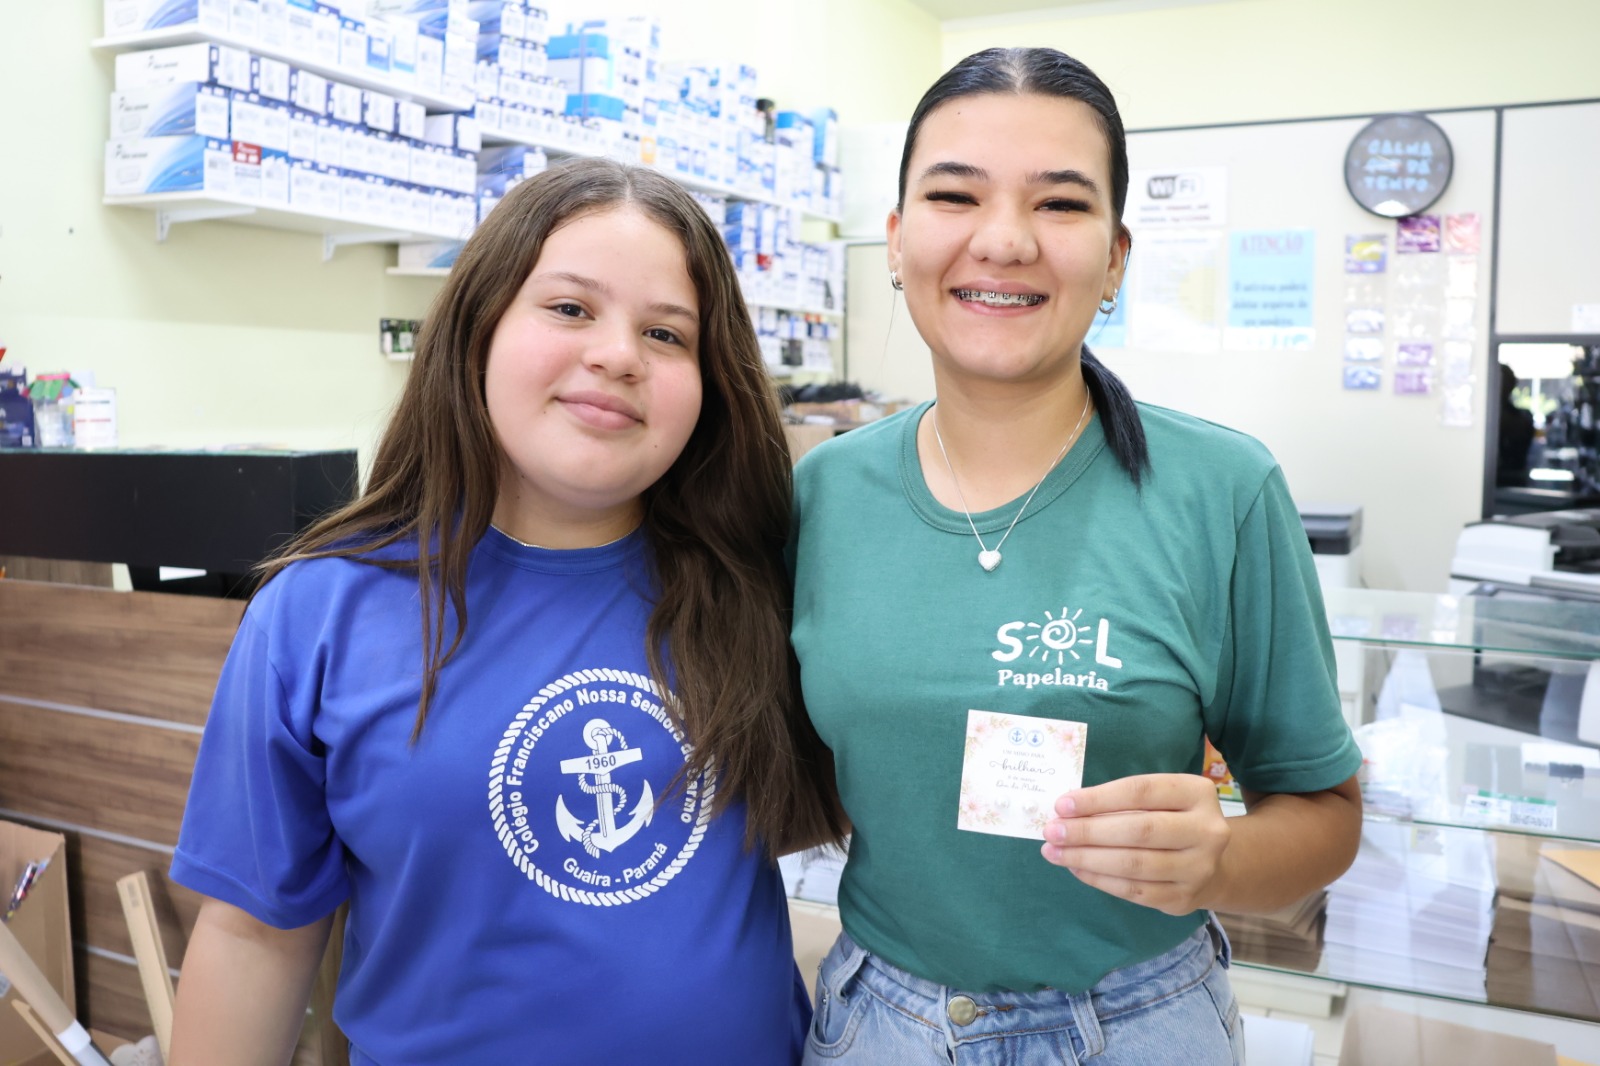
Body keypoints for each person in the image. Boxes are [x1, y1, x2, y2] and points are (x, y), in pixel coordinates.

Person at [167, 158, 844, 1066]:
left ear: (711, 382)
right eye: (569, 308)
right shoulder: (318, 613)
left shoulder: (766, 587)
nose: (618, 355)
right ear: (477, 326)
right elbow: (255, 935)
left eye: (666, 333)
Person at [789, 48, 1363, 1065]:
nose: (1004, 240)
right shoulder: (822, 491)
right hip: (881, 1021)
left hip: (1138, 1023)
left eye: (1059, 203)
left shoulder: (1222, 490)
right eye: (955, 195)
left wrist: (1219, 857)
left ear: (1115, 258)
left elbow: (1324, 818)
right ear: (896, 238)